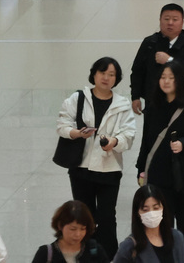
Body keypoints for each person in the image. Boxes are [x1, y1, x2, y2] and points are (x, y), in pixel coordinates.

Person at [56, 59, 136, 257]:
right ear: (94, 74)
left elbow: (129, 135)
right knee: (84, 218)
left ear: (116, 79)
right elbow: (61, 125)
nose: (106, 78)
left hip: (109, 169)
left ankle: (110, 258)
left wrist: (114, 142)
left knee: (108, 218)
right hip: (81, 168)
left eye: (111, 75)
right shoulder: (78, 98)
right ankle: (85, 257)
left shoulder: (122, 104)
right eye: (103, 73)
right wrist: (76, 133)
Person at [134, 62, 184, 263]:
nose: (166, 82)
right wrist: (141, 169)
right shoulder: (153, 107)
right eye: (162, 77)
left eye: (171, 78)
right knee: (161, 229)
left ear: (180, 81)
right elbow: (147, 142)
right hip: (158, 179)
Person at [111, 187, 184, 263]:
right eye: (145, 210)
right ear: (137, 212)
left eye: (156, 208)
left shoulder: (177, 237)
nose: (151, 213)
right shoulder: (129, 246)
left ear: (163, 208)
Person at [30, 202, 106, 263]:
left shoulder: (95, 250)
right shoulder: (45, 254)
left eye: (83, 229)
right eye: (73, 229)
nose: (78, 234)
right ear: (60, 226)